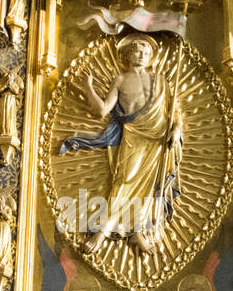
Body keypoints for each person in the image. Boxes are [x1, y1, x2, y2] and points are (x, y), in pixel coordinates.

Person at [61, 34, 182, 254]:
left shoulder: (161, 80)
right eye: (138, 51)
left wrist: (177, 129)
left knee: (151, 186)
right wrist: (88, 87)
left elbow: (175, 110)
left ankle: (138, 232)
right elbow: (103, 110)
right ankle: (103, 231)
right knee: (125, 181)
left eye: (146, 52)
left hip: (158, 138)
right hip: (134, 135)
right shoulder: (121, 80)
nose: (143, 55)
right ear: (127, 55)